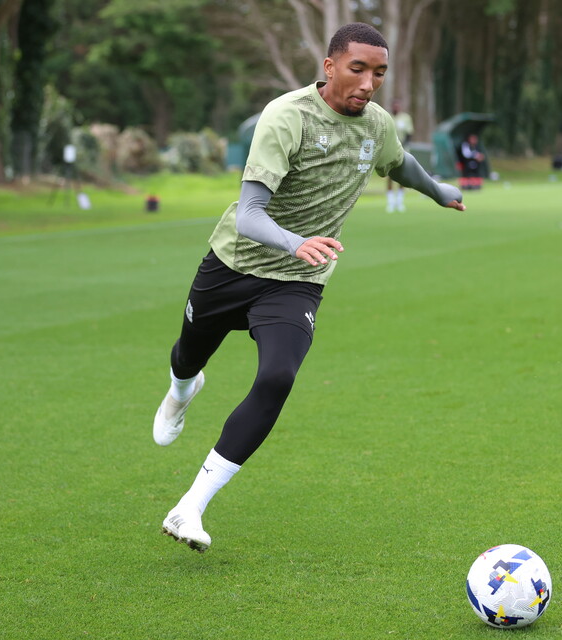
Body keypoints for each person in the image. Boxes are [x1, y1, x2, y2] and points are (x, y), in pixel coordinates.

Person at [153, 22, 464, 553]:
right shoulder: (286, 116)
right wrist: (296, 241)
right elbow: (249, 215)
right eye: (358, 69)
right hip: (233, 265)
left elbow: (399, 161)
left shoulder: (376, 125)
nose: (368, 83)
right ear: (330, 66)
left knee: (277, 376)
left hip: (297, 282)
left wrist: (436, 191)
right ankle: (183, 390)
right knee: (188, 356)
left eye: (379, 73)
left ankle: (190, 507)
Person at [386, 99, 414, 212]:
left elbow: (409, 134)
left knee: (402, 176)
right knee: (389, 176)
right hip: (389, 150)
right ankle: (390, 202)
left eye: (398, 106)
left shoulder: (405, 118)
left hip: (403, 150)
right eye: (394, 106)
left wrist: (402, 146)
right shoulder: (387, 117)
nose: (396, 108)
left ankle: (400, 201)